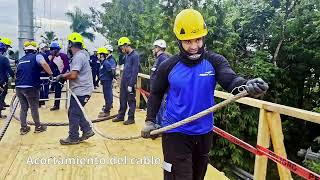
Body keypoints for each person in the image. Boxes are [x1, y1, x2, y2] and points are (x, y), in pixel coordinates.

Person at [141, 9, 269, 180]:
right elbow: (156, 94)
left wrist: (247, 86)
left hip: (204, 134)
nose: (194, 46)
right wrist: (150, 120)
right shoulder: (169, 66)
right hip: (175, 134)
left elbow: (231, 81)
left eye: (198, 39)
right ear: (178, 40)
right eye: (188, 41)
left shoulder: (215, 61)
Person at [56, 32, 94, 145]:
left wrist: (62, 76)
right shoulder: (81, 56)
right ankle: (87, 130)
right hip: (81, 90)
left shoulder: (79, 56)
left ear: (71, 44)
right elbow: (73, 73)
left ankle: (73, 137)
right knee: (76, 111)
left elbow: (73, 75)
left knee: (73, 112)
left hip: (82, 91)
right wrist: (64, 76)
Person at [15, 41, 53, 135]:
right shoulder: (37, 56)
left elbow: (16, 72)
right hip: (31, 86)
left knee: (24, 108)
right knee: (34, 107)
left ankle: (24, 128)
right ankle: (38, 127)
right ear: (35, 50)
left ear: (25, 50)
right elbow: (44, 64)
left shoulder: (21, 59)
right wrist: (51, 74)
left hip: (19, 86)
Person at [112, 37, 140, 125]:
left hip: (130, 82)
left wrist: (131, 85)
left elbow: (135, 71)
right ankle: (121, 115)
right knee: (122, 98)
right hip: (124, 81)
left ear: (126, 45)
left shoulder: (135, 55)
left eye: (122, 47)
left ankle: (131, 118)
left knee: (131, 100)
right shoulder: (127, 55)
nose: (121, 49)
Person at [150, 39, 170, 125]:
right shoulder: (158, 59)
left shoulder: (163, 59)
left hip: (161, 91)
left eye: (155, 48)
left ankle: (160, 127)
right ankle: (157, 125)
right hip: (157, 90)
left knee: (161, 109)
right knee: (158, 109)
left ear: (158, 48)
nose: (153, 49)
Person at [49, 41, 70, 111]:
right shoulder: (53, 58)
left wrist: (62, 75)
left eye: (52, 49)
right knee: (57, 90)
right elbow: (51, 66)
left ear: (56, 50)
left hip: (66, 75)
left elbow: (66, 66)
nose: (50, 51)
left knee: (71, 89)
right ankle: (56, 105)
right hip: (59, 75)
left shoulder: (63, 56)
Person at [97, 47, 116, 118]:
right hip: (105, 81)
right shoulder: (103, 63)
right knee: (106, 96)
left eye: (98, 54)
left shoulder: (106, 63)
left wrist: (113, 78)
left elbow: (110, 71)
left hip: (107, 81)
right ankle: (106, 110)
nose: (97, 56)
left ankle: (107, 112)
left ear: (102, 55)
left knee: (108, 96)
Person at [0, 40, 14, 119]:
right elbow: (9, 70)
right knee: (1, 96)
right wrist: (14, 77)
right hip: (2, 81)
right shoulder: (4, 59)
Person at [38, 43, 51, 108]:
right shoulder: (42, 55)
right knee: (42, 87)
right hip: (43, 73)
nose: (46, 48)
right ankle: (42, 100)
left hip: (43, 73)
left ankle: (43, 99)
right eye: (45, 47)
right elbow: (47, 64)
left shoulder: (42, 55)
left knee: (43, 86)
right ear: (42, 48)